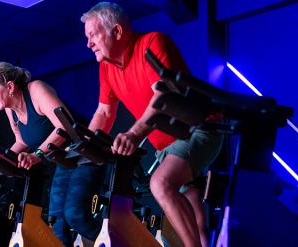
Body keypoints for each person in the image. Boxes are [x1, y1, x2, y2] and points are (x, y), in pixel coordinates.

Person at [81, 2, 223, 246]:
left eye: (93, 35)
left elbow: (164, 94)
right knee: (193, 212)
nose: (88, 43)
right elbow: (104, 112)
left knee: (161, 183)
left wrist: (134, 134)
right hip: (166, 144)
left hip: (198, 128)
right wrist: (83, 145)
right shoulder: (106, 67)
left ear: (116, 31)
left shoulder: (152, 43)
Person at [0, 61, 104, 245]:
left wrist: (36, 154)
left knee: (75, 215)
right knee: (56, 222)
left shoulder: (36, 90)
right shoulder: (10, 110)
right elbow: (21, 141)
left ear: (10, 86)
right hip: (64, 162)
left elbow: (64, 126)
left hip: (86, 153)